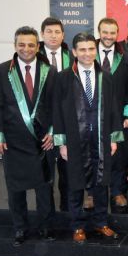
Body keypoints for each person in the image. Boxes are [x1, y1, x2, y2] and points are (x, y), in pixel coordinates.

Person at [0, 26, 56, 246]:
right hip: (13, 140)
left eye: (31, 45)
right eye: (22, 44)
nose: (26, 49)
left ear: (38, 46)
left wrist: (53, 131)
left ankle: (45, 226)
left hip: (42, 140)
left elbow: (57, 104)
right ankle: (20, 228)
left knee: (44, 187)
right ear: (15, 45)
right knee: (15, 188)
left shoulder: (49, 71)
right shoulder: (2, 71)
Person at [53, 33, 123, 244]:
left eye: (91, 49)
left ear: (96, 50)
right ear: (74, 52)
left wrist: (113, 138)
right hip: (74, 139)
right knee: (75, 183)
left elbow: (113, 108)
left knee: (101, 182)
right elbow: (57, 111)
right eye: (82, 49)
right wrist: (62, 142)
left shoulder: (106, 77)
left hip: (100, 139)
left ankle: (101, 222)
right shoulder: (63, 78)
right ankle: (77, 225)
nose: (87, 53)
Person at [96, 17, 128, 210]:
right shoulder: (88, 54)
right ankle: (91, 193)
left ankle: (117, 191)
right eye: (105, 32)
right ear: (99, 32)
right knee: (93, 154)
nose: (108, 36)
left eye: (112, 32)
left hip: (119, 117)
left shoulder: (125, 57)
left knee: (119, 156)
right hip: (92, 115)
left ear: (117, 33)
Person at [38, 17, 71, 212]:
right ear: (42, 34)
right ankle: (47, 215)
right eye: (49, 32)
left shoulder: (72, 57)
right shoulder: (34, 58)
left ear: (63, 35)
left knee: (68, 174)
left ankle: (67, 212)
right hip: (42, 129)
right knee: (45, 175)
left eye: (57, 32)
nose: (53, 35)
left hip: (68, 125)